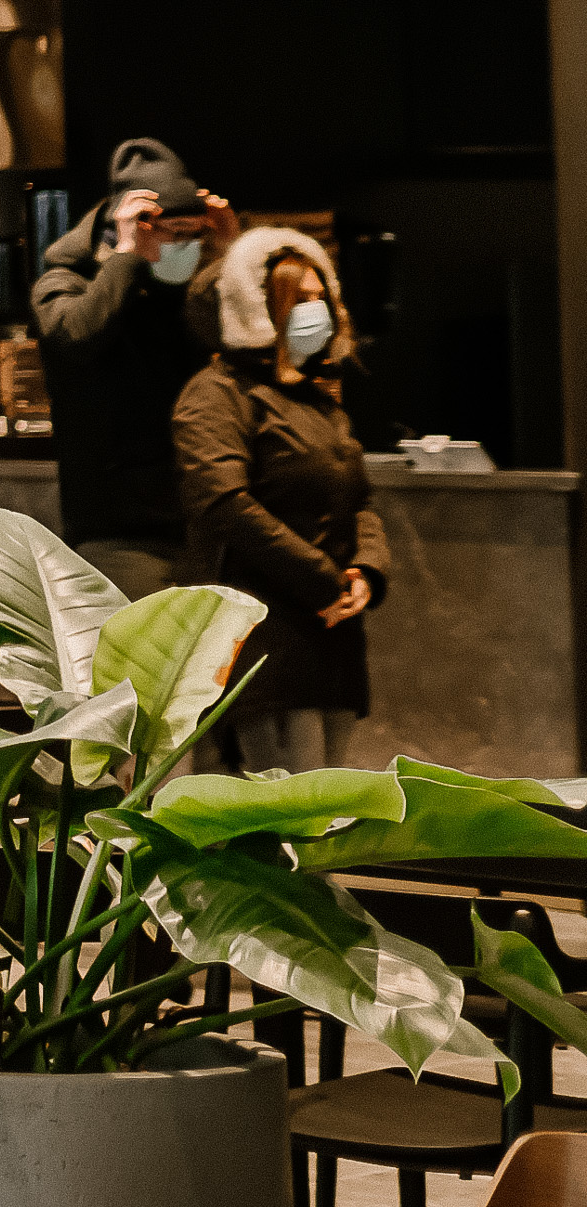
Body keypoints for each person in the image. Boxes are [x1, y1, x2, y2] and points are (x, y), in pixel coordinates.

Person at [178, 228, 388, 772]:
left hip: (332, 627)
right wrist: (321, 577)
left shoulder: (318, 399)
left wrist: (366, 569)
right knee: (283, 811)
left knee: (327, 800)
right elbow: (224, 504)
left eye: (322, 298)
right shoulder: (216, 393)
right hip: (264, 630)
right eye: (300, 300)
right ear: (259, 309)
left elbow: (360, 500)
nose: (315, 311)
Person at [33, 134, 234, 597]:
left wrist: (226, 251)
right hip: (117, 533)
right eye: (173, 234)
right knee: (135, 670)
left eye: (193, 236)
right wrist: (127, 256)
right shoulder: (64, 281)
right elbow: (78, 335)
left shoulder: (182, 295)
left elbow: (242, 342)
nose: (185, 247)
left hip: (196, 525)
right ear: (134, 226)